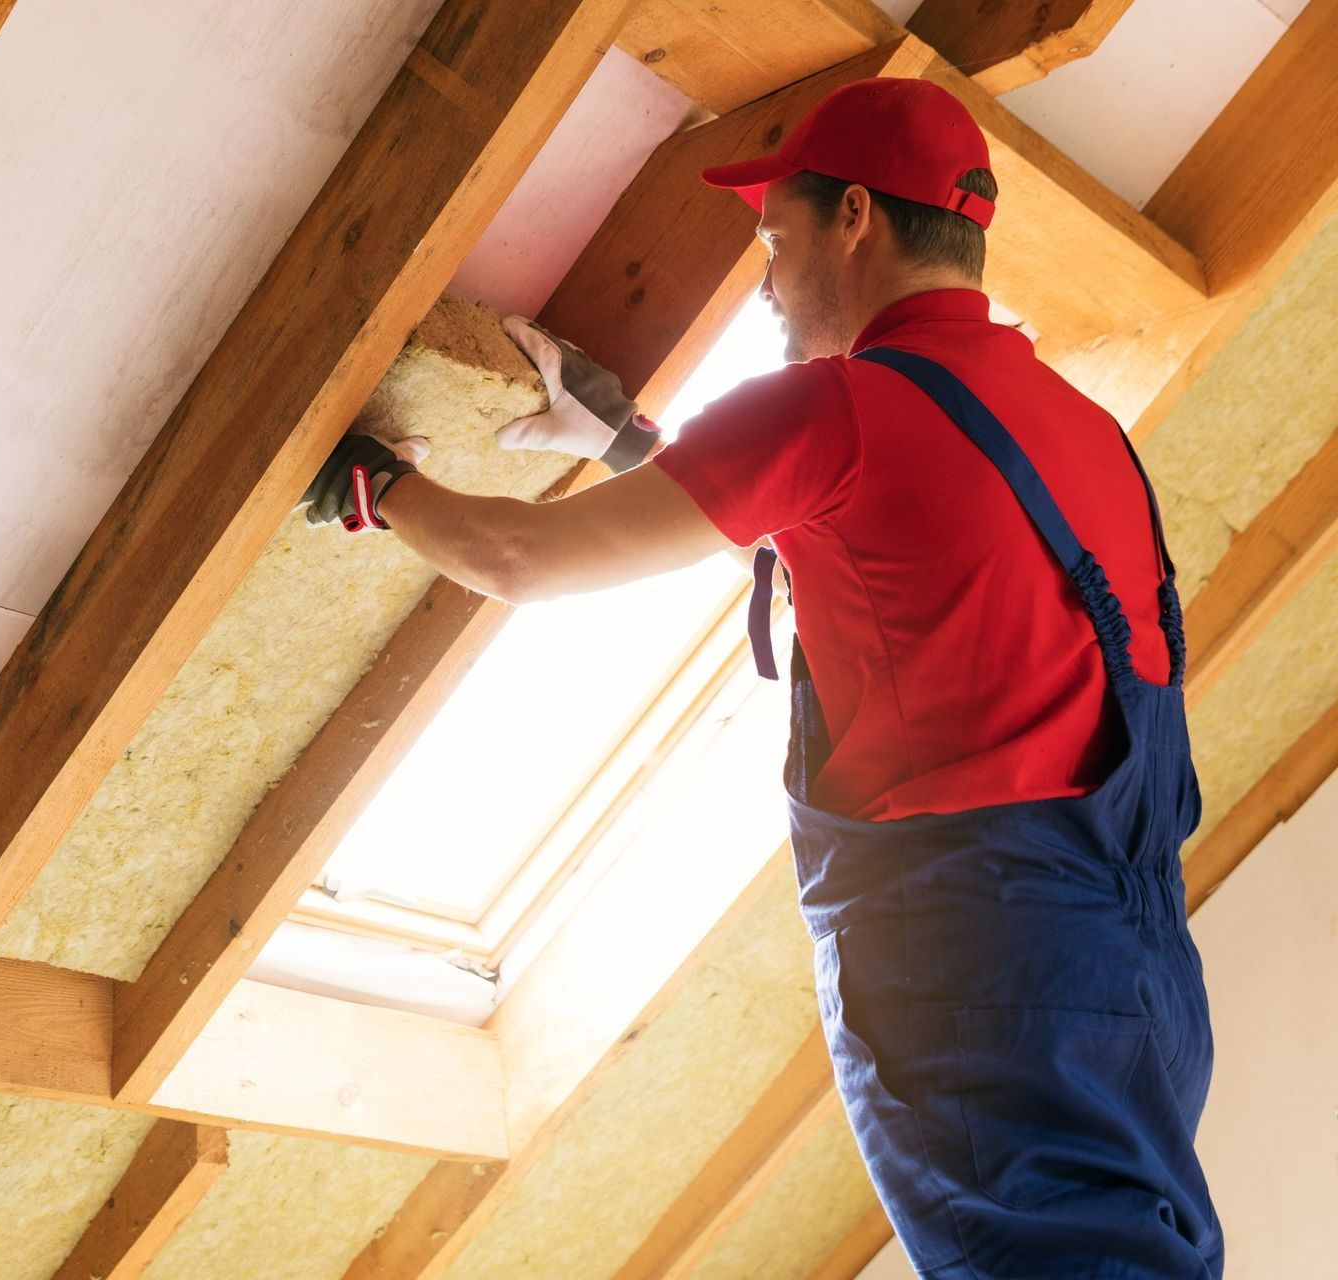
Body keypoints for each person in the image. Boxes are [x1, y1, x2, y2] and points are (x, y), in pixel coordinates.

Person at [302, 76, 1222, 1279]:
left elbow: (519, 558)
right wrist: (634, 447)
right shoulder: (1083, 428)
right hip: (1139, 987)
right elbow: (885, 555)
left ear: (855, 218)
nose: (768, 283)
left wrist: (377, 484)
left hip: (977, 969)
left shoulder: (831, 409)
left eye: (774, 240)